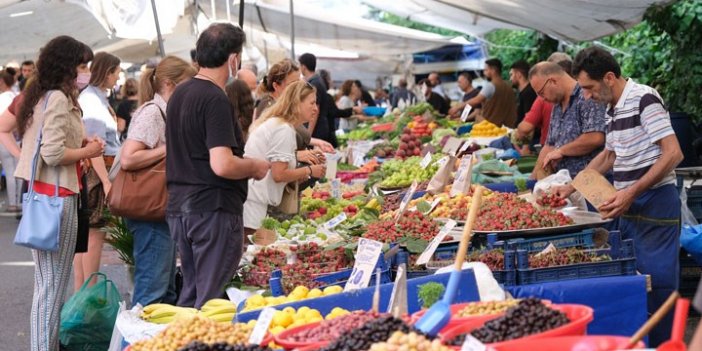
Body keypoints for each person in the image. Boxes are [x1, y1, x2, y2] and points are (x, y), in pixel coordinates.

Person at [556, 46, 684, 346]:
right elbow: (609, 156)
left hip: (655, 204)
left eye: (588, 88)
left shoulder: (644, 98)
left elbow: (673, 153)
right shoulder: (613, 107)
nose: (585, 96)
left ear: (610, 77)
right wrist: (572, 186)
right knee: (638, 282)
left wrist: (631, 191)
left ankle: (666, 344)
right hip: (630, 205)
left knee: (659, 283)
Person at [8, 35, 103, 351]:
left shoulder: (42, 95)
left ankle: (43, 345)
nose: (86, 71)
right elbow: (51, 153)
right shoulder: (59, 99)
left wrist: (80, 150)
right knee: (51, 287)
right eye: (82, 65)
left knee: (47, 285)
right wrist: (86, 149)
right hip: (57, 200)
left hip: (51, 197)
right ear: (66, 66)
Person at [166, 23, 270, 308]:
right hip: (211, 210)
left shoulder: (180, 94)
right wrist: (254, 166)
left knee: (190, 293)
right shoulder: (214, 98)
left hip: (181, 209)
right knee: (210, 300)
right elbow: (222, 164)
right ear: (233, 59)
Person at [121, 56, 197, 307]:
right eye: (186, 85)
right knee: (151, 290)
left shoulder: (165, 112)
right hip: (150, 212)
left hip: (161, 210)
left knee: (164, 291)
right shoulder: (152, 113)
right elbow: (129, 158)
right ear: (168, 84)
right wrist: (169, 148)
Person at [243, 80, 326, 231]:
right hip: (253, 205)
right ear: (297, 103)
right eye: (312, 103)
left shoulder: (279, 124)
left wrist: (297, 172)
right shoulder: (284, 130)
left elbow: (275, 165)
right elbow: (279, 174)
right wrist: (310, 171)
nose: (315, 109)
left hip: (252, 200)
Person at [75, 51, 122, 291]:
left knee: (89, 236)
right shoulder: (92, 100)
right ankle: (88, 292)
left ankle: (82, 293)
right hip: (98, 172)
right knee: (94, 236)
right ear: (107, 72)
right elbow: (95, 149)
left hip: (96, 170)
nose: (118, 77)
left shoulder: (95, 97)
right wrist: (106, 182)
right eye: (116, 72)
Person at [528, 61, 606, 178]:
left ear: (552, 81)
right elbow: (549, 145)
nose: (542, 99)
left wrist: (561, 151)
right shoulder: (557, 105)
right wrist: (533, 180)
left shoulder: (587, 95)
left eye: (541, 93)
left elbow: (595, 138)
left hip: (591, 185)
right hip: (564, 185)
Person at [254, 58, 334, 154]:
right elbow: (271, 151)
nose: (298, 89)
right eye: (292, 85)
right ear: (276, 86)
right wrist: (301, 155)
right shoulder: (268, 106)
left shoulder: (284, 106)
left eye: (299, 83)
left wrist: (317, 142)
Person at [463, 59, 518, 128]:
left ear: (467, 81)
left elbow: (477, 110)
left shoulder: (479, 91)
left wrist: (463, 118)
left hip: (491, 127)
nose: (459, 84)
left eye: (460, 82)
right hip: (505, 126)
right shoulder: (509, 87)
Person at [299, 53, 335, 147]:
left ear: (303, 66)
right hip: (319, 126)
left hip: (317, 129)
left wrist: (308, 134)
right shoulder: (316, 80)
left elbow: (315, 110)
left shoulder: (315, 83)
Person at [0, 68, 20, 213]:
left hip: (4, 138)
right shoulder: (16, 96)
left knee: (9, 170)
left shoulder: (2, 99)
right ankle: (19, 201)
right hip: (18, 138)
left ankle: (13, 203)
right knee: (18, 170)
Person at [510, 60, 537, 125]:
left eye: (511, 74)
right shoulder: (525, 92)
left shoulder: (528, 93)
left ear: (519, 74)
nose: (510, 79)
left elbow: (528, 120)